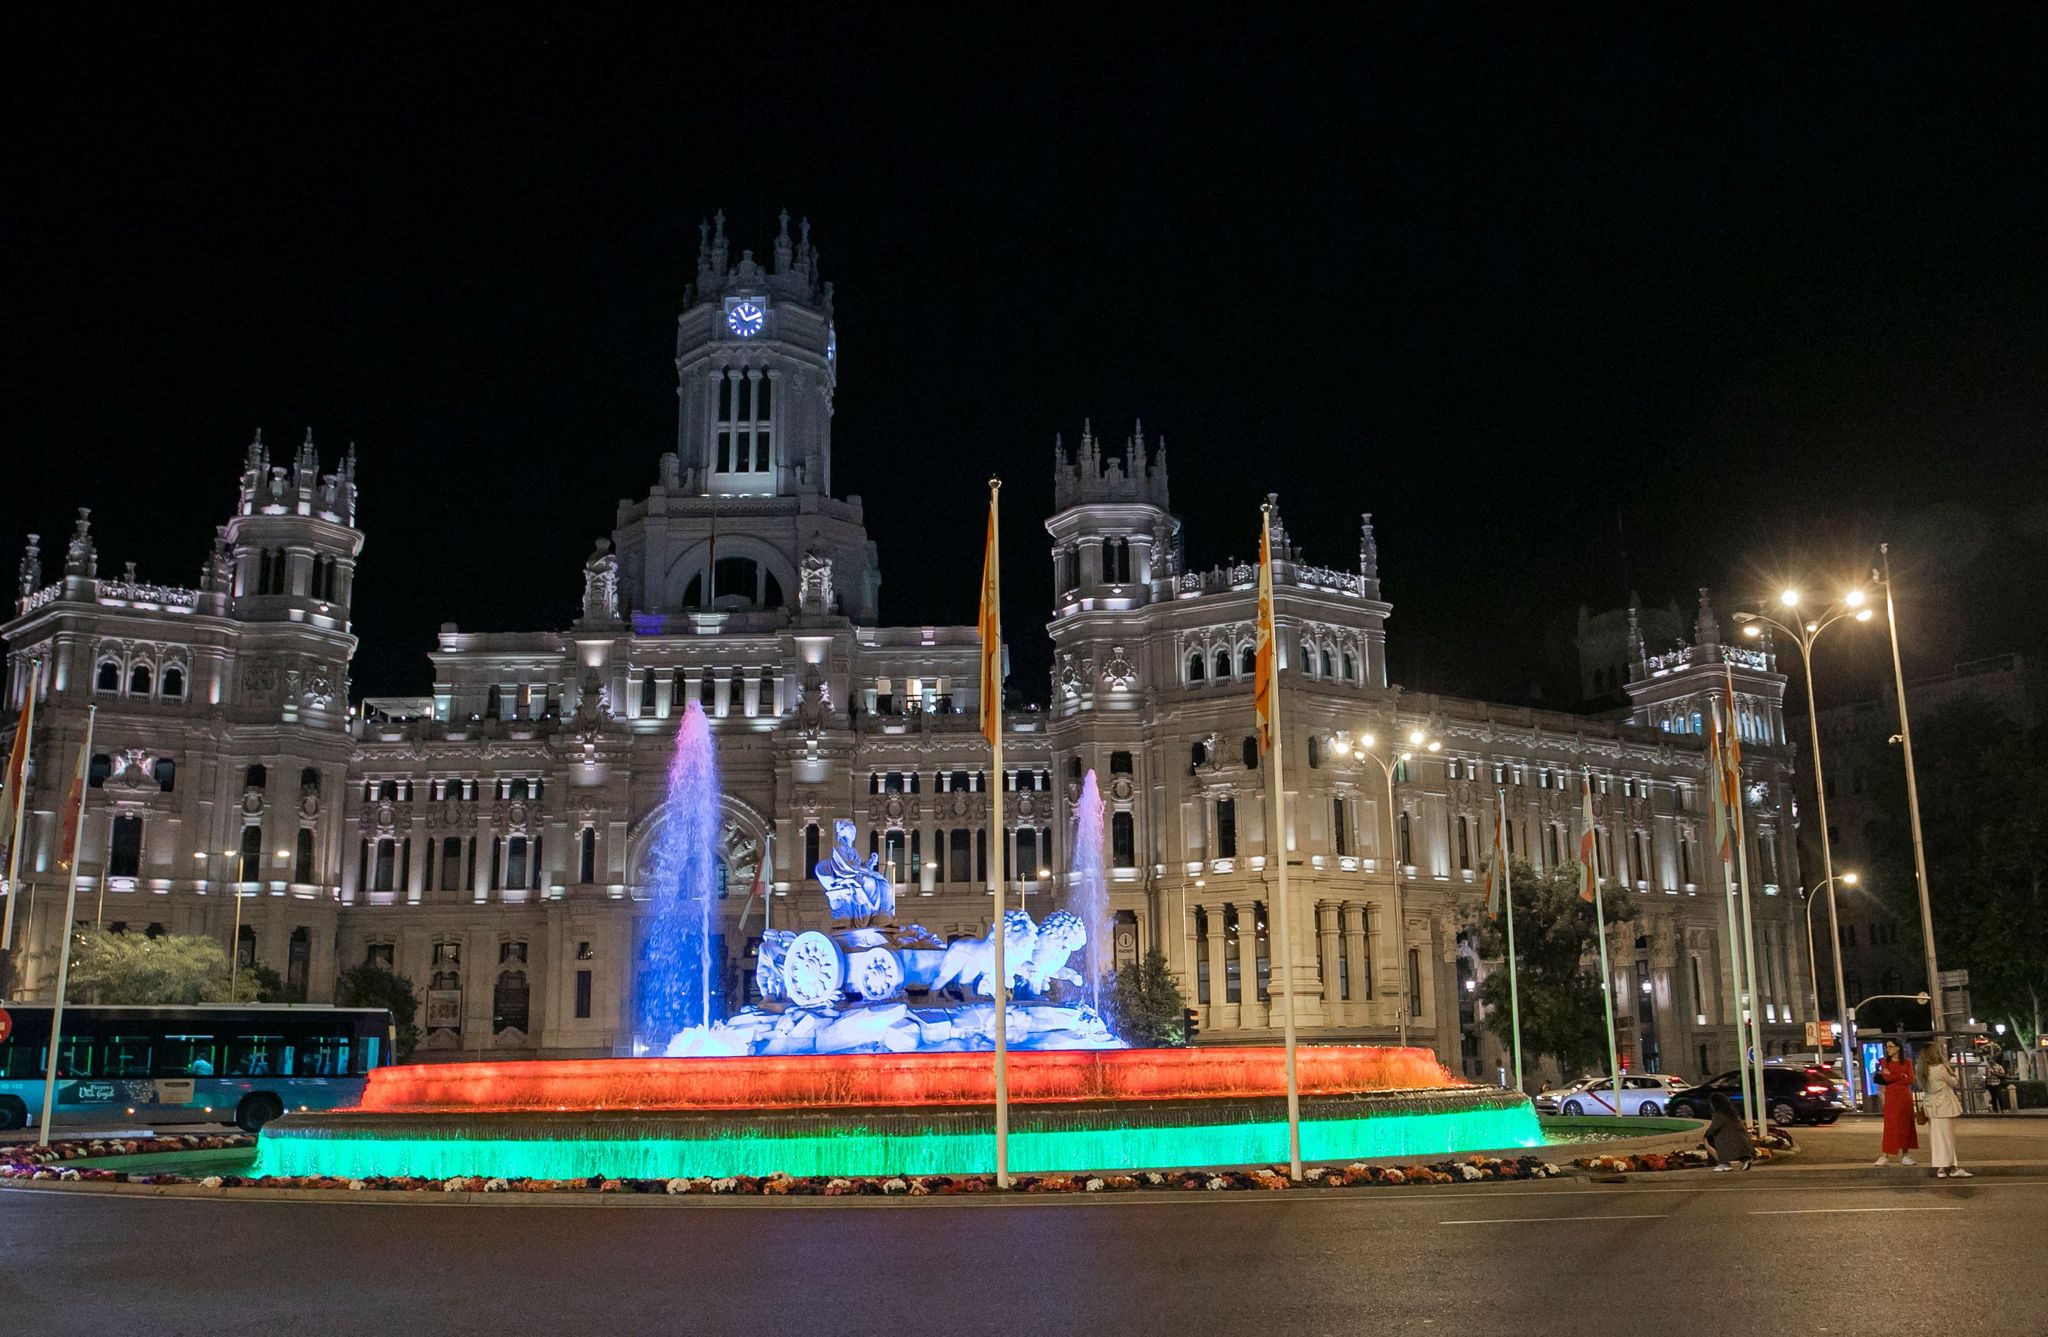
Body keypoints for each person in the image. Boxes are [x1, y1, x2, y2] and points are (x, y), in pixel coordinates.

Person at [1917, 1041, 1970, 1179]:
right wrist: (1954, 1073)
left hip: (1931, 1107)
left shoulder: (1921, 1069)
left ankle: (1941, 1168)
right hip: (1944, 1106)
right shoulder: (1940, 1068)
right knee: (1948, 1138)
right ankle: (1952, 1168)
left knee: (1936, 1139)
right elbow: (1953, 1082)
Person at [1873, 1039, 1918, 1166]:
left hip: (1904, 1096)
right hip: (1892, 1096)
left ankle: (1905, 1154)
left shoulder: (1907, 1062)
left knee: (1906, 1124)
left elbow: (1910, 1079)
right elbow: (1887, 1078)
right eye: (1887, 1047)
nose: (1888, 1049)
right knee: (1890, 1125)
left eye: (1891, 1046)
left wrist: (1895, 1076)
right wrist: (1901, 1076)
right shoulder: (1884, 1061)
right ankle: (1885, 1154)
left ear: (1898, 1048)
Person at [1705, 1091, 1755, 1171]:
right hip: (1744, 1142)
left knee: (1708, 1140)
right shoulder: (1732, 1113)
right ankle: (1745, 1159)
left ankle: (1724, 1163)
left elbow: (1714, 1128)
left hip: (1729, 1144)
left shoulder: (1719, 1114)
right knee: (1731, 1142)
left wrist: (1706, 1135)